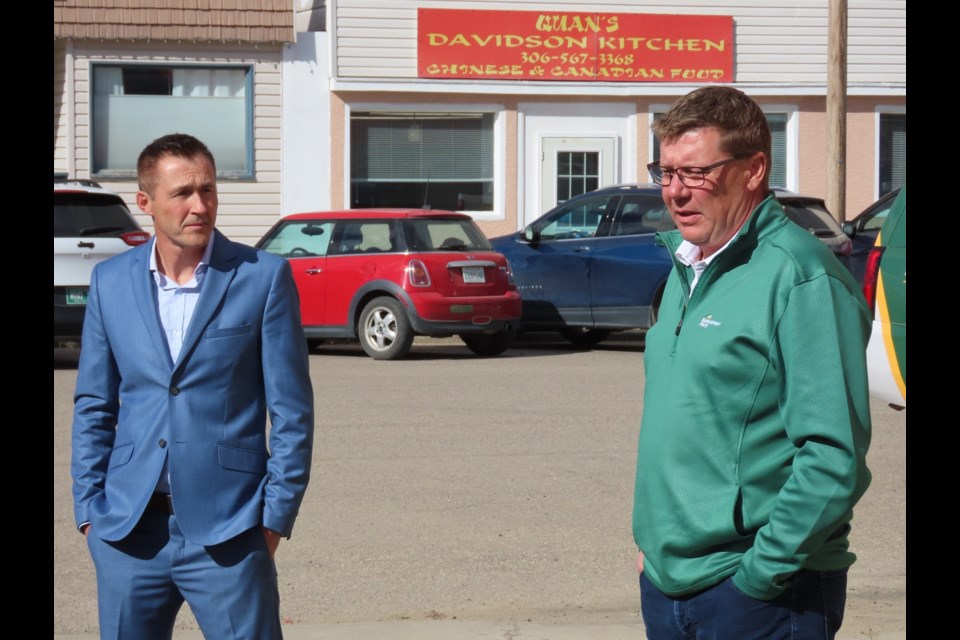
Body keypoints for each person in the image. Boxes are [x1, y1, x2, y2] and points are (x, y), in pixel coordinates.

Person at [632, 87, 872, 639]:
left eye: (696, 173)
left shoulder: (799, 276)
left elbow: (832, 457)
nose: (675, 193)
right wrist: (653, 544)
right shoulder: (685, 267)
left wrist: (759, 576)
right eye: (666, 173)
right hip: (668, 582)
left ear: (754, 169)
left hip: (758, 594)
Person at [71, 133, 314, 639]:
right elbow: (95, 403)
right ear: (146, 203)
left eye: (207, 190)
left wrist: (273, 518)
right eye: (182, 193)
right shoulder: (110, 283)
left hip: (231, 531)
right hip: (127, 532)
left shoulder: (262, 278)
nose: (199, 206)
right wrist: (90, 511)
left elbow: (292, 410)